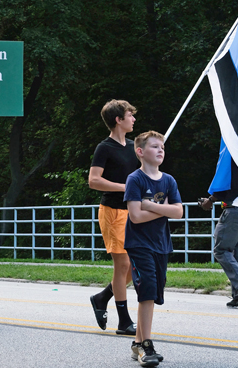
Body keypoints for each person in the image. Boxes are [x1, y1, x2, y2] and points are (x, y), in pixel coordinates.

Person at [124, 131, 183, 367]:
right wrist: (162, 207)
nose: (161, 150)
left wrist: (149, 204)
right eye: (155, 147)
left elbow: (179, 212)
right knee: (147, 288)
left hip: (161, 244)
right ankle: (146, 346)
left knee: (153, 294)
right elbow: (136, 216)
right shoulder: (135, 179)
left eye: (163, 148)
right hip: (139, 244)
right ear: (140, 152)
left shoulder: (168, 180)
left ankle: (137, 344)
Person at [89, 99, 139, 335]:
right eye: (130, 115)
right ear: (118, 120)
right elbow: (94, 180)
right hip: (112, 212)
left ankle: (102, 297)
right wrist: (124, 186)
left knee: (134, 264)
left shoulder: (133, 146)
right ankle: (124, 320)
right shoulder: (104, 148)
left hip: (134, 211)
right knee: (123, 265)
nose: (134, 119)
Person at [199, 162, 238, 309]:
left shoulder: (231, 156)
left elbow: (225, 184)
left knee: (221, 250)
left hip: (236, 210)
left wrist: (210, 200)